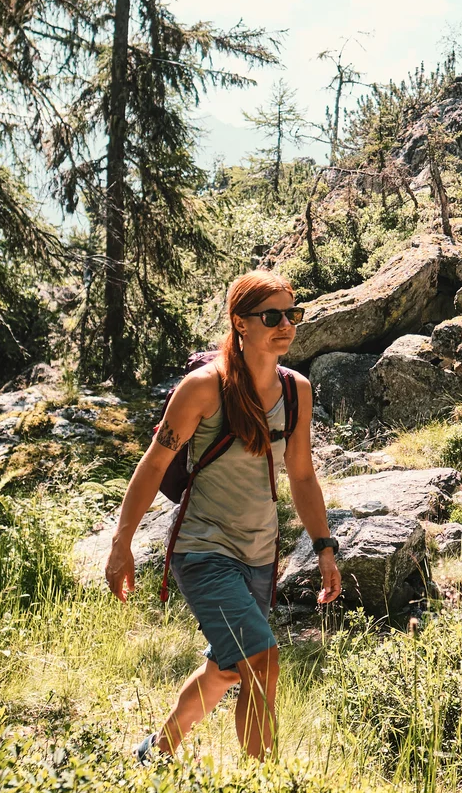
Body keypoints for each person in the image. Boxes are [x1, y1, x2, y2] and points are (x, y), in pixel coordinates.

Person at [107, 270, 344, 761]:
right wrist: (120, 542)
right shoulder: (204, 388)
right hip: (204, 551)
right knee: (262, 660)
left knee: (228, 668)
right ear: (240, 322)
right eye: (272, 316)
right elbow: (154, 464)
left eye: (292, 314)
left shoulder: (296, 391)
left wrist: (324, 548)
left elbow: (301, 476)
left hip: (260, 555)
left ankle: (154, 750)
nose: (286, 325)